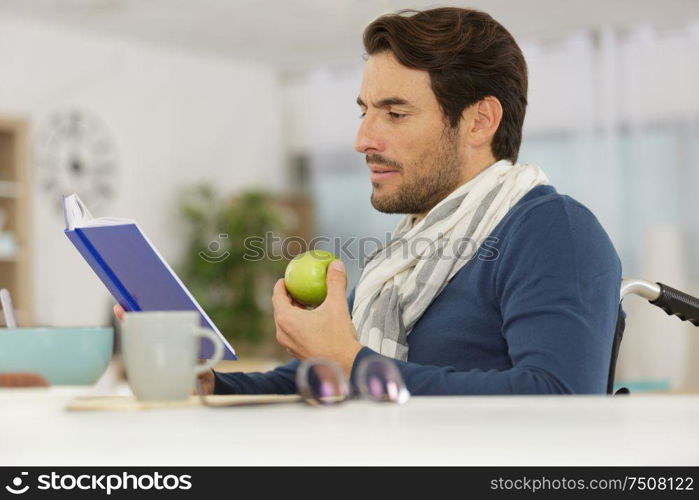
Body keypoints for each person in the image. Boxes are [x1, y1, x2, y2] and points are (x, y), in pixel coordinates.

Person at [117, 7, 621, 396]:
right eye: (365, 111)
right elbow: (319, 376)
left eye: (395, 114)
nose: (363, 139)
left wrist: (351, 361)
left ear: (479, 121)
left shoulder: (551, 229)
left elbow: (560, 398)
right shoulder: (412, 249)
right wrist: (213, 385)